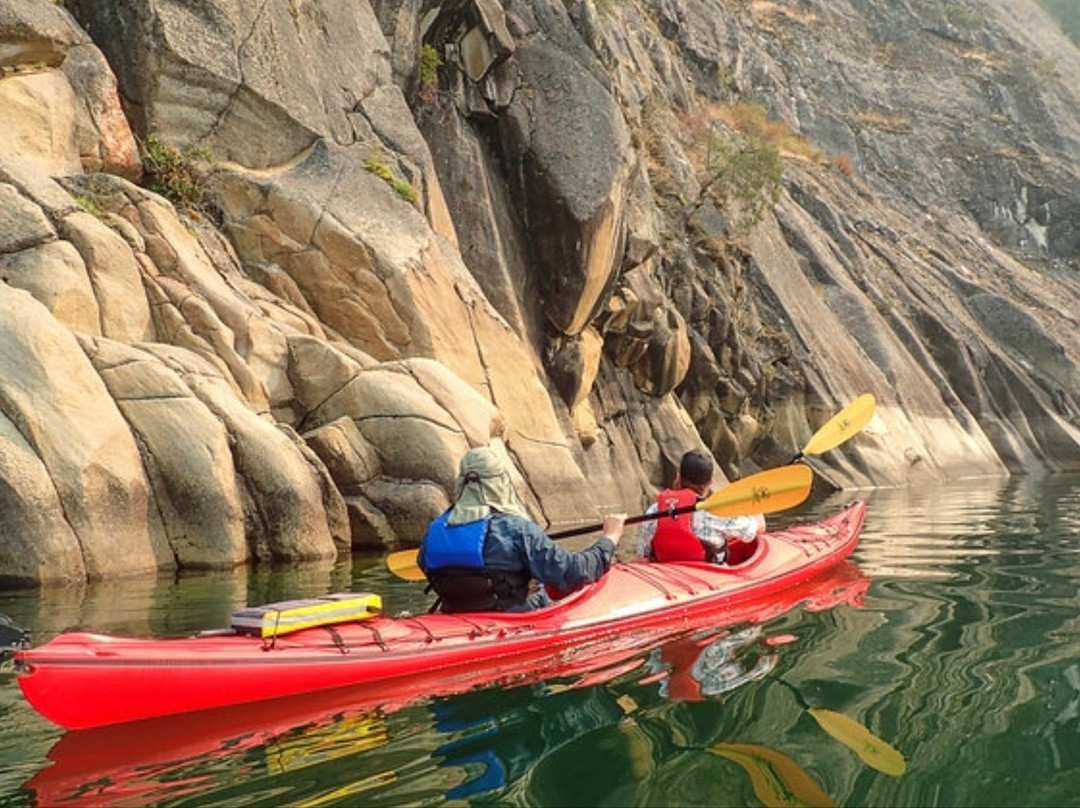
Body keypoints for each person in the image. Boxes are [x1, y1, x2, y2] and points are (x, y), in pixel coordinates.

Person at [418, 446, 627, 613]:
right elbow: (572, 573)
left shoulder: (434, 531)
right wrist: (609, 538)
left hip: (453, 617)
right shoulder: (516, 530)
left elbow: (426, 565)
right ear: (500, 483)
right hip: (510, 619)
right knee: (547, 591)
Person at [636, 449, 765, 565]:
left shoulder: (654, 511)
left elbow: (643, 558)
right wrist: (755, 508)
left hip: (668, 576)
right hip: (710, 579)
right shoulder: (717, 513)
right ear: (710, 482)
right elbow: (755, 531)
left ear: (678, 476)